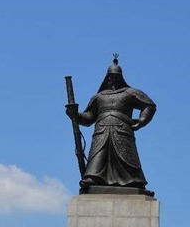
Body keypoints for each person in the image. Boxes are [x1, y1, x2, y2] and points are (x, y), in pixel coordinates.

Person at [66, 56, 157, 190]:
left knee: (126, 155)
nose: (113, 79)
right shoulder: (99, 97)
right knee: (98, 153)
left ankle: (133, 180)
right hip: (101, 130)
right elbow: (89, 117)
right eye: (111, 76)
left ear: (121, 78)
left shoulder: (130, 92)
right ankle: (93, 177)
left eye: (116, 76)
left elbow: (149, 105)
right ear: (106, 78)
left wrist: (142, 120)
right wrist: (75, 115)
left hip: (122, 129)